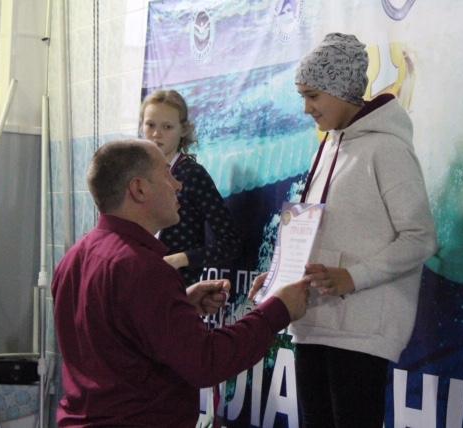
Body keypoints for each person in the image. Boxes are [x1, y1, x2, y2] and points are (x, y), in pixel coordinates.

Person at [51, 139, 309, 427]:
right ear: (139, 189)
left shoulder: (74, 258)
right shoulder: (142, 268)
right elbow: (205, 362)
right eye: (167, 174)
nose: (178, 185)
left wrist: (181, 304)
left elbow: (113, 335)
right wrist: (277, 309)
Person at [250, 33, 437, 427]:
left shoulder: (387, 149)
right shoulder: (329, 148)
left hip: (360, 333)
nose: (306, 108)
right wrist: (280, 278)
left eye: (313, 95)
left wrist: (354, 277)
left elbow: (420, 238)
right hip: (313, 324)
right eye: (302, 96)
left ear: (342, 89)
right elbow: (315, 231)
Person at [140, 90, 241, 285]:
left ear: (184, 130)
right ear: (141, 125)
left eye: (167, 126)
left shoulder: (192, 175)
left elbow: (230, 243)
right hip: (141, 280)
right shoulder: (136, 173)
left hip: (178, 288)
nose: (156, 134)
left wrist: (179, 260)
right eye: (150, 125)